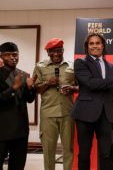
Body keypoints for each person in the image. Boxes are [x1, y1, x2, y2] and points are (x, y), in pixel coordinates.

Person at [71, 33, 113, 170]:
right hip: (85, 114)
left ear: (103, 45)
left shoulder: (111, 67)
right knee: (84, 154)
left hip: (106, 115)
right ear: (87, 46)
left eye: (98, 43)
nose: (95, 46)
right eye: (91, 43)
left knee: (106, 153)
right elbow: (90, 83)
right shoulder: (80, 63)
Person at [33, 38, 77, 170]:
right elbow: (35, 89)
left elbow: (80, 86)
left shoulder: (72, 66)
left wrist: (72, 88)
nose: (56, 54)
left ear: (63, 50)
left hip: (67, 113)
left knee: (68, 148)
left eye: (59, 51)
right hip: (48, 113)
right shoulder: (40, 66)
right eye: (53, 51)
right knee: (48, 150)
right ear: (48, 53)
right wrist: (47, 83)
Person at [0, 42, 36, 170]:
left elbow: (29, 99)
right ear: (1, 57)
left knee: (18, 165)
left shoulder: (24, 74)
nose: (12, 57)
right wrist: (13, 88)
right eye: (7, 55)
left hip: (20, 130)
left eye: (15, 54)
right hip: (2, 129)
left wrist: (31, 88)